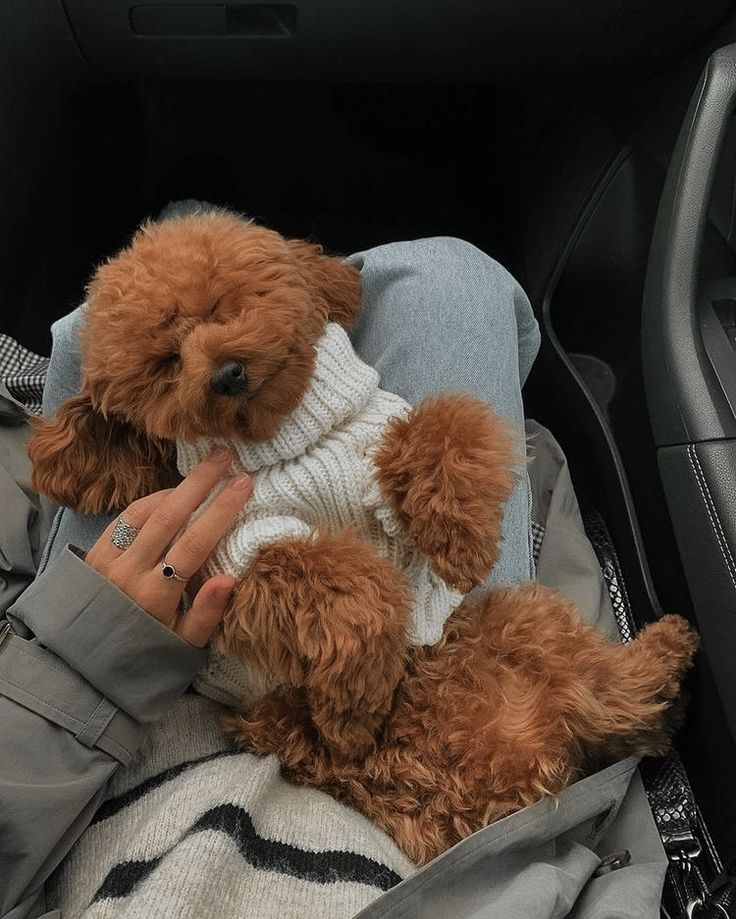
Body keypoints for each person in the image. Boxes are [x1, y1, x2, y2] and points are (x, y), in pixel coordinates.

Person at [0, 202, 549, 918]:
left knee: (90, 336)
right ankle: (218, 251)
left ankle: (204, 248)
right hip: (442, 774)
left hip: (105, 745)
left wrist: (77, 667)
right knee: (447, 277)